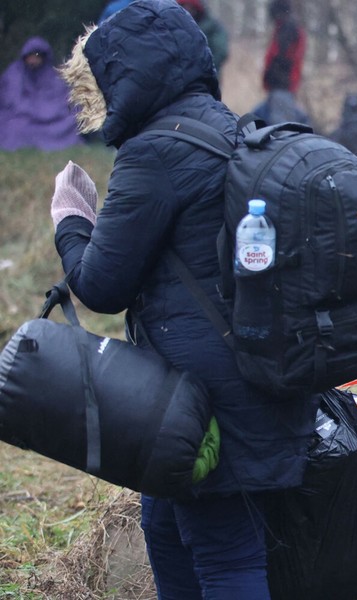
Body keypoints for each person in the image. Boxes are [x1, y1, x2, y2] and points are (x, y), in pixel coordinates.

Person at [53, 1, 317, 595]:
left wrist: (71, 218)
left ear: (127, 76)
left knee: (225, 552)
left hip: (204, 401)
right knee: (168, 527)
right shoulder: (234, 129)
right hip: (254, 380)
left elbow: (100, 286)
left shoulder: (154, 153)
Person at [0, 37, 83, 151]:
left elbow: (63, 99)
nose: (33, 59)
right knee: (15, 126)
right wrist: (33, 110)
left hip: (52, 119)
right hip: (22, 118)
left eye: (37, 55)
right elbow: (12, 100)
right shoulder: (15, 73)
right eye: (30, 55)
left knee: (70, 121)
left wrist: (46, 112)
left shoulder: (53, 75)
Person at [252, 0, 308, 124]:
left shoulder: (289, 29)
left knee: (281, 129)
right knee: (255, 118)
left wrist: (272, 77)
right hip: (279, 88)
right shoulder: (285, 28)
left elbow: (282, 59)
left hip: (282, 87)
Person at [177, 0, 228, 78]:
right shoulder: (171, 25)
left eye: (190, 7)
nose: (187, 10)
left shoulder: (212, 27)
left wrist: (202, 68)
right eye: (184, 6)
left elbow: (220, 51)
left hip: (205, 79)